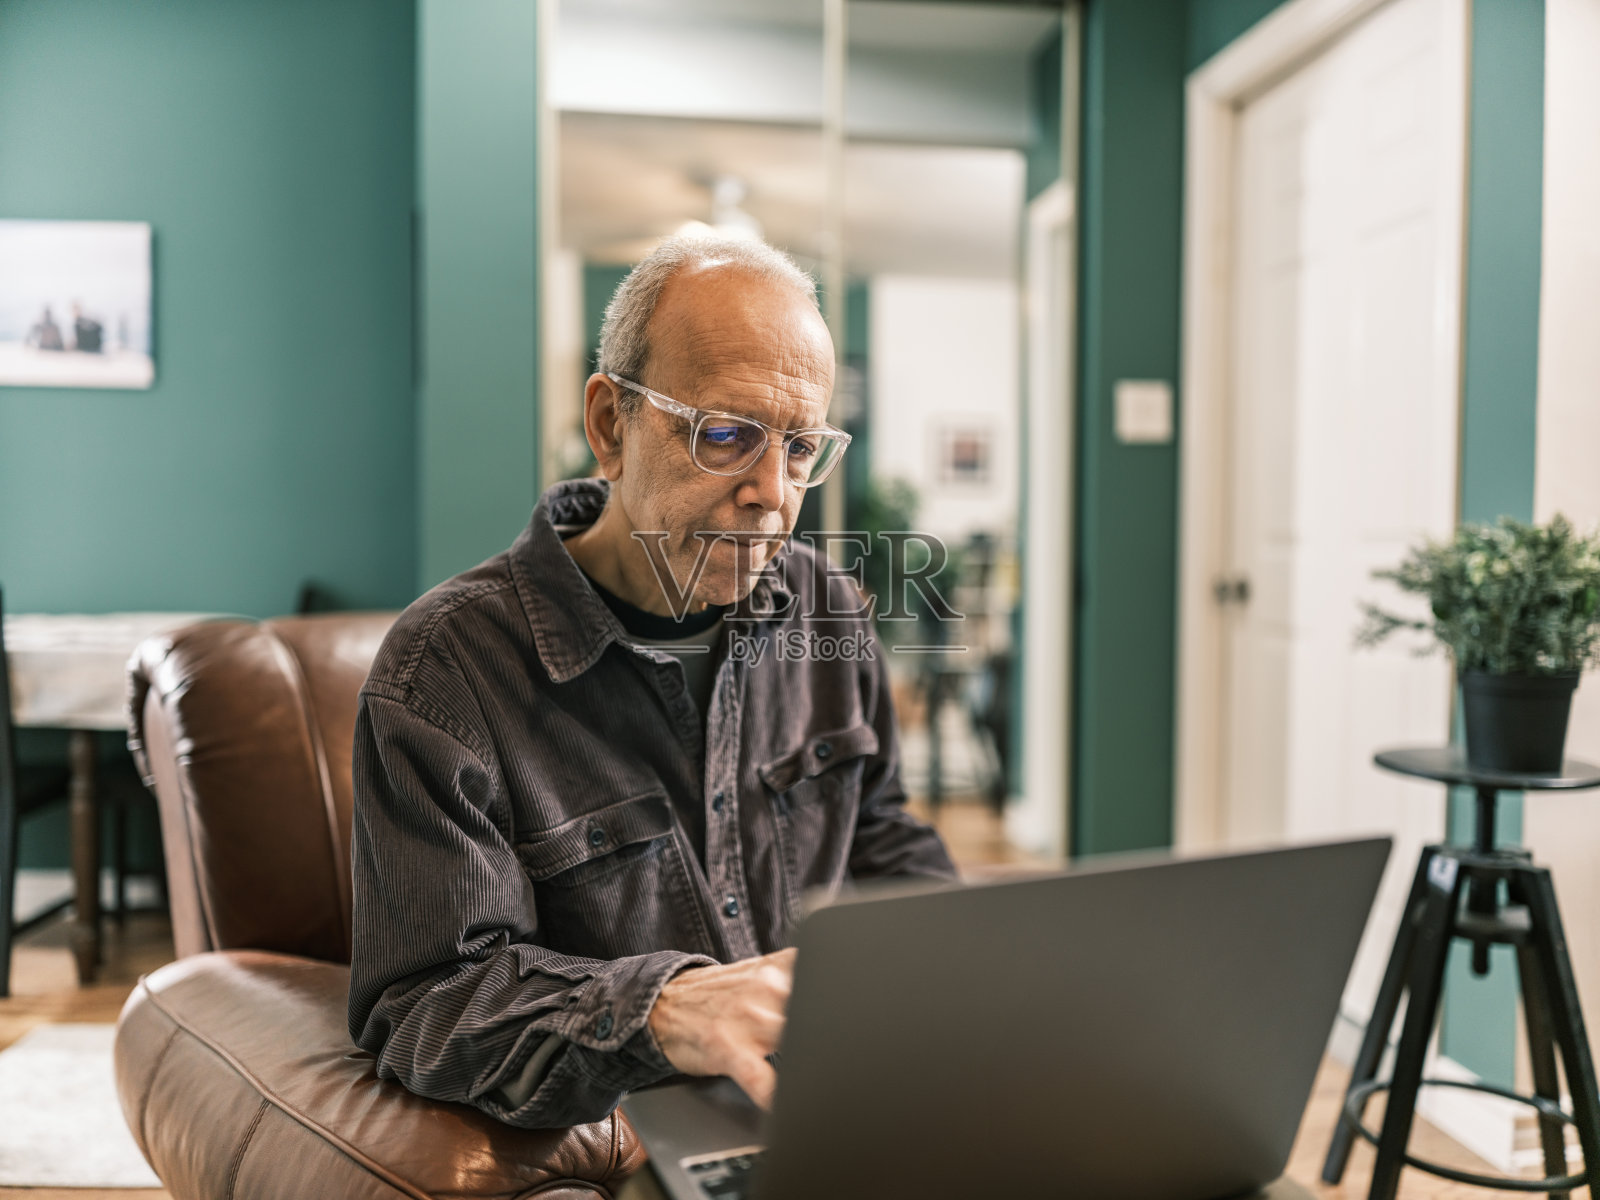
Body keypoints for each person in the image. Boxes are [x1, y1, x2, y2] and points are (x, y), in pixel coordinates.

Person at [347, 235, 956, 1130]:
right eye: (725, 435)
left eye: (799, 448)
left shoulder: (826, 605)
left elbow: (879, 835)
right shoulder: (445, 672)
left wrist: (986, 976)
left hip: (840, 1105)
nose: (773, 494)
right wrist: (665, 1011)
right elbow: (426, 1003)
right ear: (610, 425)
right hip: (634, 1134)